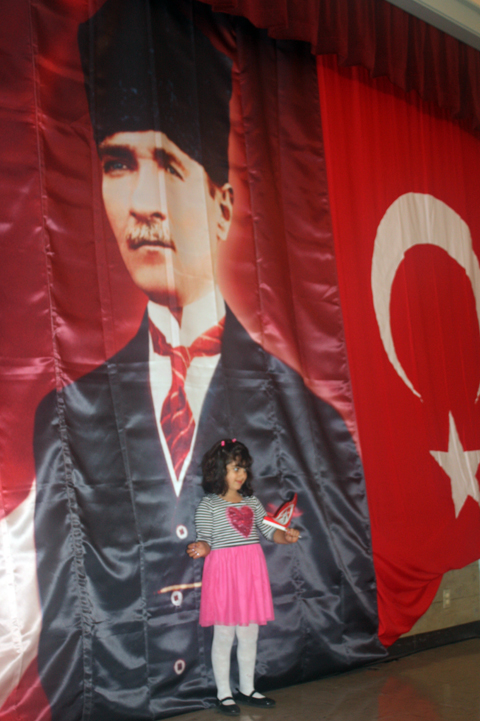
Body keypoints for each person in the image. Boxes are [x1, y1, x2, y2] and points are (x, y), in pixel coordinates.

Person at [33, 1, 383, 720]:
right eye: (118, 163)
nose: (144, 203)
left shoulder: (309, 417)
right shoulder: (63, 419)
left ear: (222, 204)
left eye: (167, 162)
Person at [187, 438, 299, 715]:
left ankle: (247, 688)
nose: (241, 475)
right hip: (224, 574)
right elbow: (205, 538)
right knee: (224, 635)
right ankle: (224, 694)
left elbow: (270, 531)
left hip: (251, 573)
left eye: (244, 469)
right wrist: (201, 547)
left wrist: (286, 537)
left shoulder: (252, 502)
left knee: (249, 633)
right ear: (218, 470)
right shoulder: (209, 505)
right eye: (235, 468)